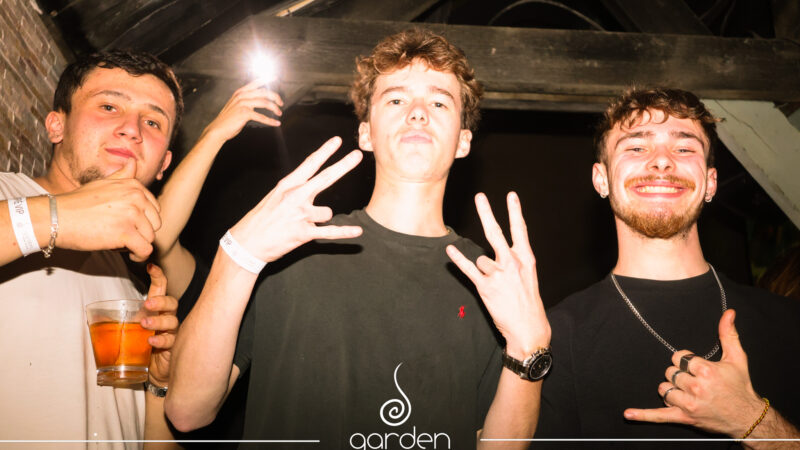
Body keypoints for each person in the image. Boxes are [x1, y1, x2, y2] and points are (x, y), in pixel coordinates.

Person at [167, 28, 549, 449]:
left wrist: (528, 346)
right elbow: (187, 410)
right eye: (396, 100)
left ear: (463, 141)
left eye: (439, 102)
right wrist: (237, 254)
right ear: (365, 133)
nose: (417, 113)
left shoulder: (492, 282)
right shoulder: (288, 247)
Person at [0, 48, 282, 446]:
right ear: (56, 125)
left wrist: (158, 384)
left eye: (152, 121)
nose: (132, 129)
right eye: (109, 106)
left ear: (163, 164)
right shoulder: (7, 196)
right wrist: (53, 216)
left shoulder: (138, 285)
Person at [535, 87, 800, 447]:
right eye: (636, 148)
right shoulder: (554, 338)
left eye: (684, 148)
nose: (662, 162)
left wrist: (751, 419)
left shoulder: (790, 321)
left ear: (710, 183)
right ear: (601, 179)